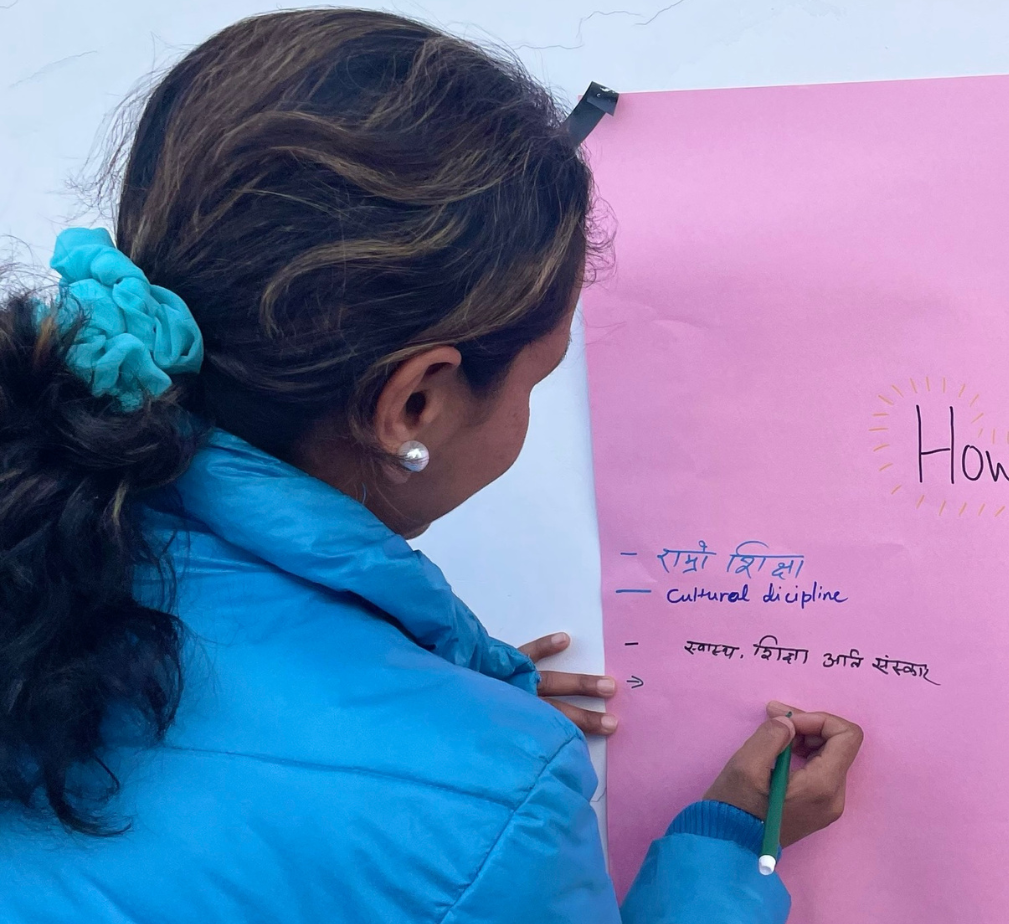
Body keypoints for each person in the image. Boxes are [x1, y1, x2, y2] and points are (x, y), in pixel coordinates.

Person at [0, 10, 862, 923]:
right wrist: (733, 847)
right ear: (415, 402)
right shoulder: (488, 813)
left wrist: (442, 712)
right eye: (540, 376)